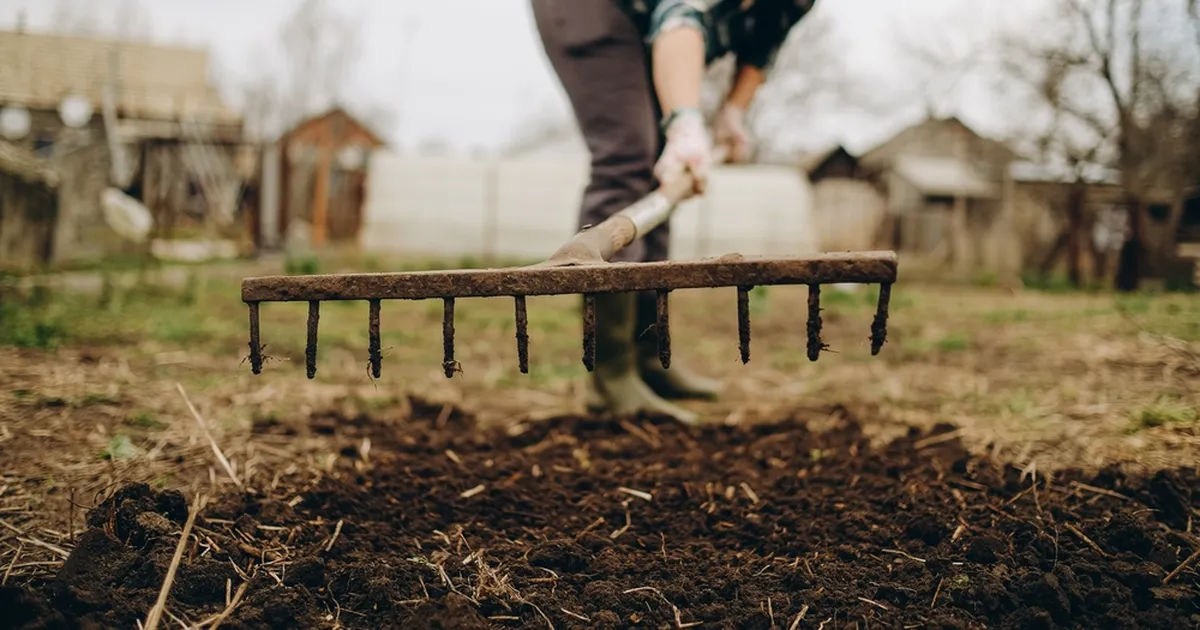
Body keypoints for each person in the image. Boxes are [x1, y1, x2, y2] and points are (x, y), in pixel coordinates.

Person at [530, 0, 819, 424]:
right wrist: (684, 123)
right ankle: (611, 377)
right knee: (628, 160)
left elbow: (763, 44)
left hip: (646, 17)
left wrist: (733, 111)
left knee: (662, 175)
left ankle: (648, 358)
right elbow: (680, 19)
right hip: (592, 9)